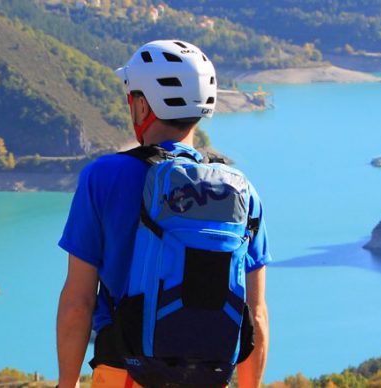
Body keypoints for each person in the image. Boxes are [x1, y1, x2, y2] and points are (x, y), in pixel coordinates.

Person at [56, 40, 269, 388]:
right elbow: (255, 316)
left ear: (142, 106)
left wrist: (66, 385)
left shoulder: (103, 177)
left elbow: (78, 304)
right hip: (207, 378)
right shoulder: (240, 191)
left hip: (125, 373)